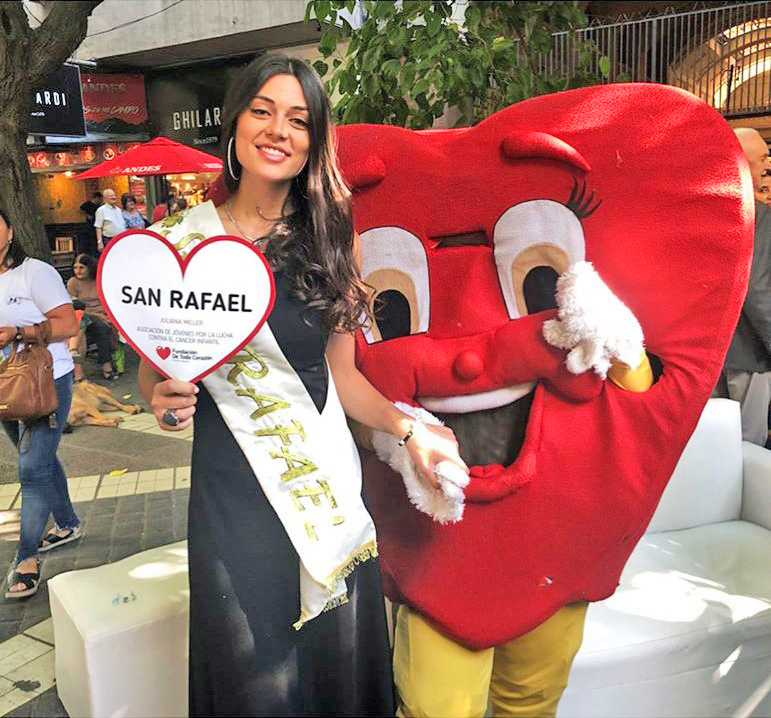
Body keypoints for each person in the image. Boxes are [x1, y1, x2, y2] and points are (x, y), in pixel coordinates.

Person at [138, 54, 467, 717]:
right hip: (232, 494)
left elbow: (343, 378)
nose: (277, 130)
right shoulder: (176, 243)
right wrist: (157, 396)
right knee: (251, 672)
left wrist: (410, 431)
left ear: (315, 140)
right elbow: (156, 368)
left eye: (298, 119)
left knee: (330, 665)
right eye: (262, 110)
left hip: (322, 490)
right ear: (234, 123)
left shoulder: (330, 240)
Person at [0, 207, 81, 598]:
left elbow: (69, 324)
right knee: (42, 461)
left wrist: (20, 331)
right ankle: (67, 523)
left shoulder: (35, 273)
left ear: (10, 232)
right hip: (4, 389)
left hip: (44, 383)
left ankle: (26, 558)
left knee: (31, 470)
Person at [714, 128, 771, 446]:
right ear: (742, 160)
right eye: (762, 156)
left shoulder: (706, 213)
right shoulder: (757, 216)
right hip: (750, 357)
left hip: (708, 356)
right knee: (746, 448)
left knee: (711, 445)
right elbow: (758, 291)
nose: (768, 164)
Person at [67, 254, 119, 381]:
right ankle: (106, 366)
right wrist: (98, 315)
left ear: (90, 268)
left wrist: (107, 315)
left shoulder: (99, 280)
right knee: (100, 327)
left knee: (102, 327)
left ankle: (104, 365)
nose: (78, 271)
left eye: (82, 268)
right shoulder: (73, 283)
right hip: (85, 316)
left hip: (103, 314)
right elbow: (74, 307)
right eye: (75, 268)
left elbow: (110, 300)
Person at [93, 188, 126, 253]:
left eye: (114, 195)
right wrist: (99, 242)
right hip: (109, 240)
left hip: (121, 239)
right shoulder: (101, 210)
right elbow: (98, 227)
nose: (114, 197)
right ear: (105, 199)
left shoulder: (118, 210)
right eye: (111, 196)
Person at [79, 191, 102, 256]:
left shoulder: (99, 206)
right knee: (90, 242)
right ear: (96, 198)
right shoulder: (87, 204)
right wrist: (86, 215)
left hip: (97, 225)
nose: (100, 200)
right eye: (99, 199)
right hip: (89, 226)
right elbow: (80, 210)